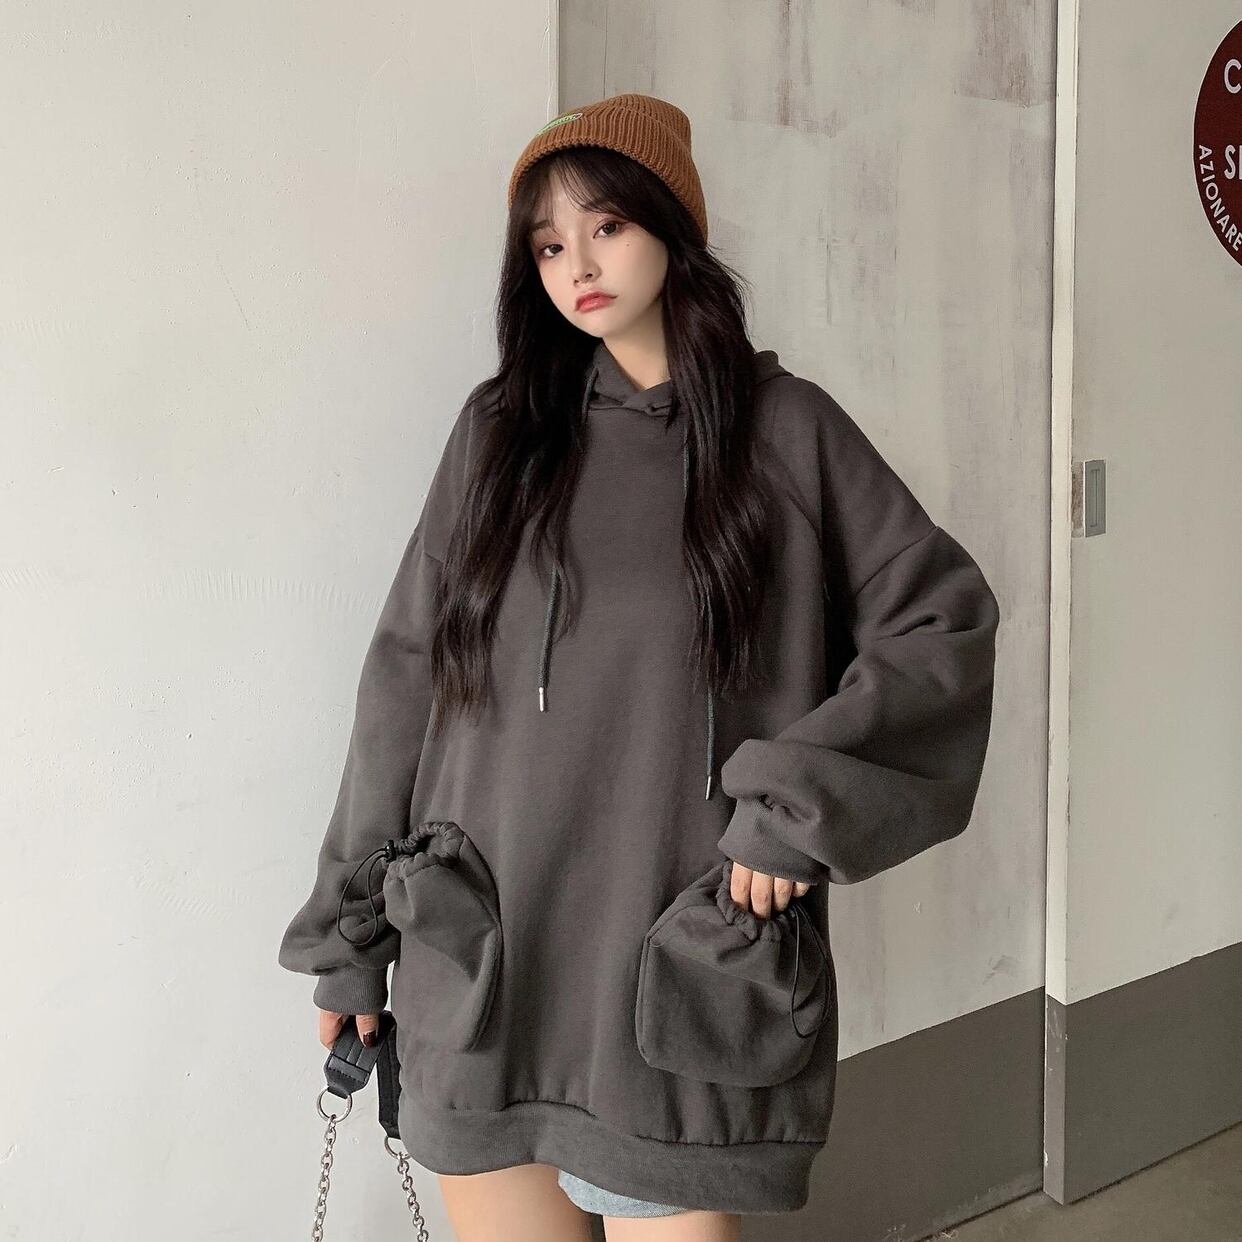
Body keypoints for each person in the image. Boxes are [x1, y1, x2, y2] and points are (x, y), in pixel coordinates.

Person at [278, 92, 1001, 1239]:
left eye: (606, 226)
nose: (578, 265)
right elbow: (404, 681)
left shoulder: (786, 434)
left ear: (671, 223)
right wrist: (349, 943)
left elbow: (941, 626)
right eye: (549, 244)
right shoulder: (499, 436)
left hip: (665, 991)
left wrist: (789, 814)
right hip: (483, 975)